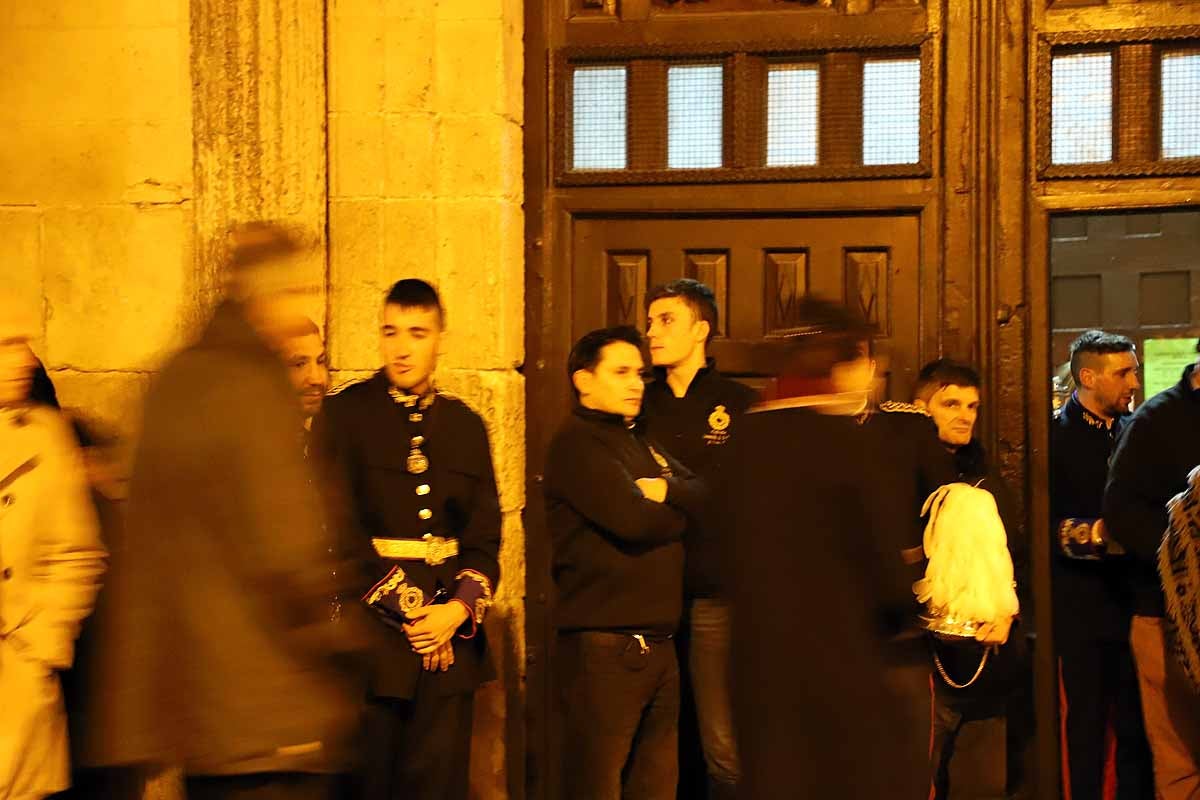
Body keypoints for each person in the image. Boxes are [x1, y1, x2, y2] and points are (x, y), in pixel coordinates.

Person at [113, 222, 363, 800]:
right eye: (302, 292)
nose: (306, 308)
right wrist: (344, 635)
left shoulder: (178, 379)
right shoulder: (252, 386)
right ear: (269, 294)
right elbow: (289, 549)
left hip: (204, 711)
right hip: (270, 703)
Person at [725, 297, 927, 799]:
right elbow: (884, 569)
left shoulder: (744, 438)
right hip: (843, 671)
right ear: (840, 364)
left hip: (761, 670)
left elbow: (717, 551)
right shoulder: (848, 445)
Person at [312, 278, 501, 800]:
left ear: (440, 337)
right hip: (372, 645)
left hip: (450, 650)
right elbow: (338, 534)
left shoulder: (466, 426)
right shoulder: (345, 416)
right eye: (390, 331)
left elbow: (485, 541)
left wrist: (454, 614)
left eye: (417, 332)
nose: (401, 347)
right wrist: (416, 614)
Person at [545, 325, 706, 800]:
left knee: (656, 786)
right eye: (621, 373)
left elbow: (704, 494)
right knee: (596, 785)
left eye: (638, 372)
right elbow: (633, 521)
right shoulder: (578, 444)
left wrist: (668, 493)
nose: (637, 383)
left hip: (657, 647)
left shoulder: (640, 442)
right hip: (605, 650)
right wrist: (678, 513)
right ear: (584, 380)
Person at [641, 279, 757, 800]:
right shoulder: (636, 401)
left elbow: (737, 498)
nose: (652, 332)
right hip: (650, 595)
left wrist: (669, 489)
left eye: (666, 320)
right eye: (649, 322)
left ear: (700, 330)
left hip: (716, 594)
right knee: (660, 741)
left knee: (722, 742)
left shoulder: (739, 404)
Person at [0, 300, 107, 800]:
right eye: (7, 345)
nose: (23, 359)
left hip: (18, 680)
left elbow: (79, 551)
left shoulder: (47, 437)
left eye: (23, 344)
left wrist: (40, 643)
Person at [913, 358, 1030, 800]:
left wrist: (1008, 614)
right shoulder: (901, 475)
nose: (965, 415)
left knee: (982, 785)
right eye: (951, 404)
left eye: (972, 406)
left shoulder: (987, 480)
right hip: (922, 666)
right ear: (922, 407)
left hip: (987, 663)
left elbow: (1014, 560)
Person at [1051, 330, 1154, 799]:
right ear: (1087, 377)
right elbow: (1045, 528)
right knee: (1086, 730)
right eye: (1123, 372)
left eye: (1134, 370)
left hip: (1136, 603)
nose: (1134, 381)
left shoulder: (1137, 432)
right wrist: (1108, 535)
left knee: (1138, 729)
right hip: (1080, 611)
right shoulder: (1052, 436)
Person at [1105, 338, 1200, 799]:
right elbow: (1121, 509)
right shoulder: (1156, 419)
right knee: (1180, 764)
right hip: (1164, 617)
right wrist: (1183, 562)